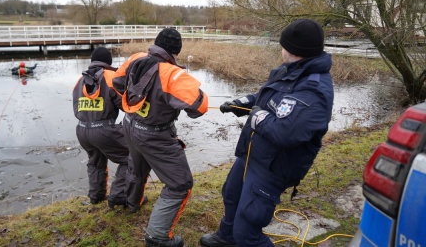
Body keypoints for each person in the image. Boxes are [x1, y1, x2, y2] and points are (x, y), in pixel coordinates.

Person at [199, 18, 334, 247]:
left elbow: (286, 133)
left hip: (274, 165)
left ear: (293, 50)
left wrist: (255, 116)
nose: (281, 48)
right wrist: (241, 103)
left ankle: (240, 238)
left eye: (283, 44)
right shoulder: (287, 71)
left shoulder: (314, 89)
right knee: (231, 193)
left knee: (248, 226)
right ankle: (226, 237)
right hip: (253, 151)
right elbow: (267, 97)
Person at [112, 28, 209, 247]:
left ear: (156, 44)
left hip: (129, 125)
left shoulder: (135, 58)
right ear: (176, 51)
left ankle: (132, 203)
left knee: (136, 169)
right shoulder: (173, 74)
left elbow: (117, 83)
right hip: (155, 136)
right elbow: (199, 107)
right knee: (180, 184)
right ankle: (157, 237)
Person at [72, 47, 129, 207]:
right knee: (132, 157)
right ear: (109, 62)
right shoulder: (111, 77)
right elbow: (126, 105)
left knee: (95, 161)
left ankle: (96, 196)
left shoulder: (79, 80)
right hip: (105, 130)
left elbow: (76, 108)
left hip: (82, 130)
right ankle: (119, 195)